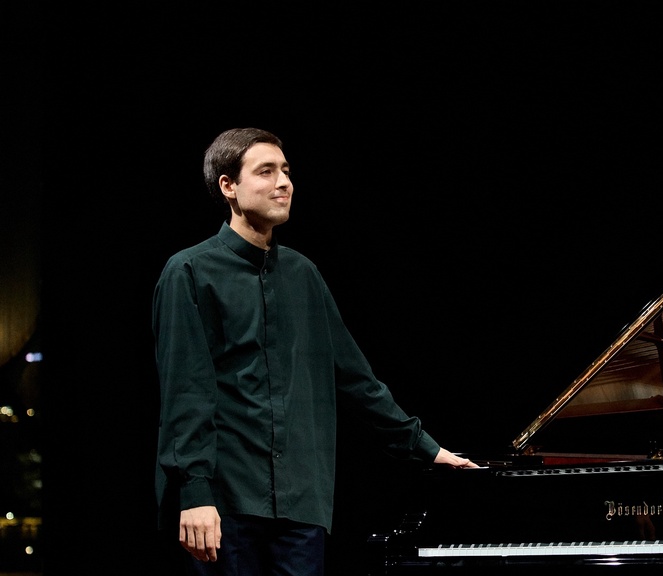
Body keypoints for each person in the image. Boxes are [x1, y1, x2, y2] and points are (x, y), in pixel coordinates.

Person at [152, 127, 477, 576]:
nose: (284, 182)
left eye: (286, 171)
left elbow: (356, 378)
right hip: (226, 502)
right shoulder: (189, 271)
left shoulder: (303, 273)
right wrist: (195, 493)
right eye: (266, 171)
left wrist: (426, 447)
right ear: (228, 186)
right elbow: (186, 393)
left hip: (301, 501)